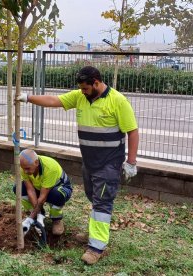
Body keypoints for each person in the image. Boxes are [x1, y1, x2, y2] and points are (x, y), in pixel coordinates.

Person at [16, 66, 139, 265]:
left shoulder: (118, 101)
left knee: (101, 202)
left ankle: (96, 247)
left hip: (109, 163)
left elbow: (132, 131)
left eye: (85, 88)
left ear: (96, 83)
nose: (82, 91)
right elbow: (54, 101)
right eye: (80, 88)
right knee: (93, 197)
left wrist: (131, 162)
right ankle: (93, 233)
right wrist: (28, 98)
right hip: (89, 162)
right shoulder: (80, 97)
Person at [14, 149, 72, 236]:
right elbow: (30, 190)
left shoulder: (50, 168)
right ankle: (38, 213)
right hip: (39, 187)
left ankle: (56, 219)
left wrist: (31, 218)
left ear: (36, 162)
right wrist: (38, 214)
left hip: (59, 189)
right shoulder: (24, 166)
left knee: (57, 195)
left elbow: (43, 197)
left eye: (27, 169)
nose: (25, 171)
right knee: (19, 189)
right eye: (23, 169)